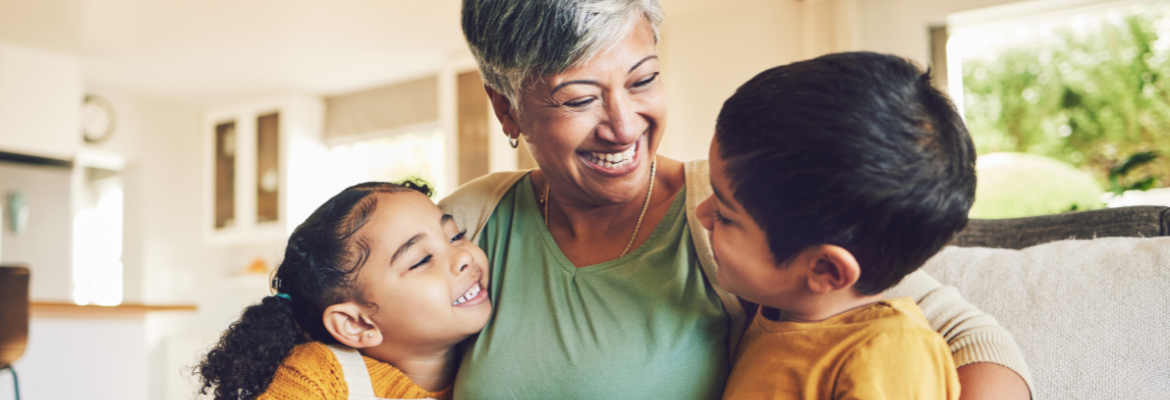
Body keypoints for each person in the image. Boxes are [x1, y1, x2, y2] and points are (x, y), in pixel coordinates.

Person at [443, 0, 1033, 398]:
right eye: (578, 99)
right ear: (507, 108)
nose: (623, 126)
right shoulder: (464, 228)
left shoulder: (743, 210)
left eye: (643, 79)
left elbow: (963, 336)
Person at [699, 52, 970, 399]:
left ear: (825, 268)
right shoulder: (774, 314)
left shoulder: (889, 353)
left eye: (725, 215)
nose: (701, 214)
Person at [195, 181, 491, 400]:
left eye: (455, 236)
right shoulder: (317, 378)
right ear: (356, 323)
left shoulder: (499, 358)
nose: (464, 256)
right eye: (422, 260)